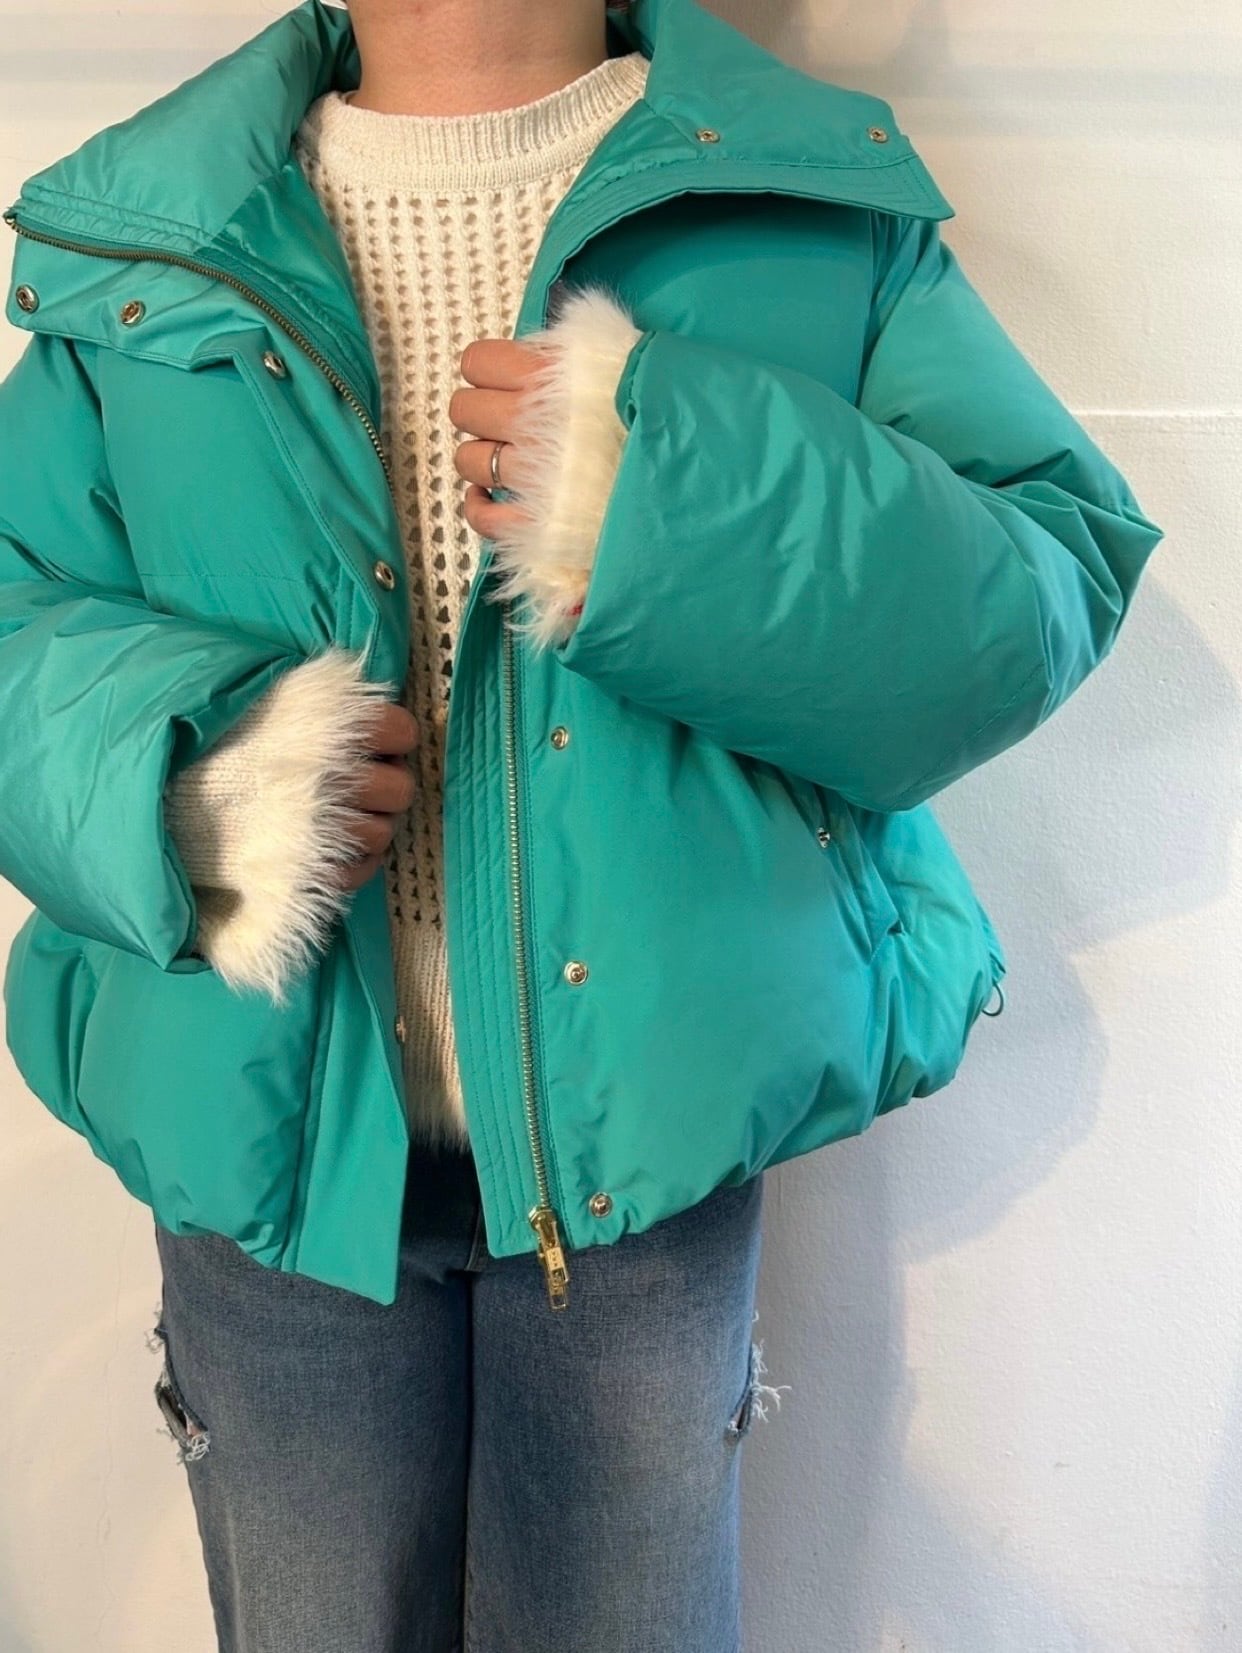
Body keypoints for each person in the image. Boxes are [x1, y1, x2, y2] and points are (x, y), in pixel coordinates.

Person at [0, 0, 1163, 1646]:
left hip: (648, 1152)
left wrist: (675, 508)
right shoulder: (151, 225)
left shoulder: (806, 203)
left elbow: (1036, 589)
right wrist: (185, 785)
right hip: (264, 1142)